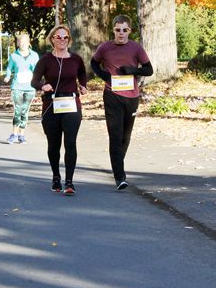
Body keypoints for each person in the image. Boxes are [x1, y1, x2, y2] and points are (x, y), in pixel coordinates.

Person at [90, 15, 154, 190]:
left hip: (131, 97)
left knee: (125, 137)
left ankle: (118, 164)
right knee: (115, 136)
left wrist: (133, 70)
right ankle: (120, 177)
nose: (121, 33)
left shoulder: (136, 48)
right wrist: (104, 75)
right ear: (113, 30)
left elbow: (149, 70)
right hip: (112, 96)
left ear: (129, 31)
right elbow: (93, 63)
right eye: (118, 29)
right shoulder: (105, 47)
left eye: (125, 30)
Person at [31, 25, 88, 195]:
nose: (62, 40)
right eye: (59, 37)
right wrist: (43, 86)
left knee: (70, 143)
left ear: (69, 40)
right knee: (53, 144)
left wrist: (83, 86)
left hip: (71, 103)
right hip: (51, 105)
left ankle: (69, 181)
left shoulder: (76, 59)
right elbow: (34, 81)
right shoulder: (46, 59)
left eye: (65, 37)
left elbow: (83, 73)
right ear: (52, 39)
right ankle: (56, 177)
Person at [4, 33, 39, 144]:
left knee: (25, 111)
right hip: (17, 86)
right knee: (17, 110)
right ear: (18, 43)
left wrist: (37, 76)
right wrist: (7, 76)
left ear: (29, 43)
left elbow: (38, 69)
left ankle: (22, 135)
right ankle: (14, 134)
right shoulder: (14, 56)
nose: (23, 44)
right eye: (21, 42)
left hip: (30, 87)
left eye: (25, 42)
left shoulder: (34, 55)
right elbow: (9, 68)